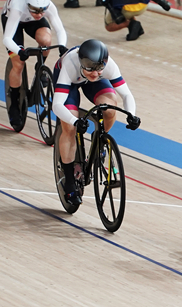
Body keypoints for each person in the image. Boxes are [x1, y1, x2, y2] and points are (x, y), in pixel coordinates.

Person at [52, 39, 141, 205]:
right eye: (90, 68)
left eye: (99, 68)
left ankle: (98, 139)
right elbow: (56, 105)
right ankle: (70, 180)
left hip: (87, 81)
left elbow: (126, 95)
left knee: (110, 108)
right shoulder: (70, 64)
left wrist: (132, 114)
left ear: (104, 63)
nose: (94, 73)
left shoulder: (107, 66)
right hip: (70, 82)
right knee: (69, 127)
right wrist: (74, 120)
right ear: (81, 62)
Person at [1, 0, 68, 129]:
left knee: (46, 40)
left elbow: (60, 29)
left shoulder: (47, 7)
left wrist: (62, 46)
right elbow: (7, 38)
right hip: (14, 22)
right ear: (28, 4)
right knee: (18, 63)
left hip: (31, 22)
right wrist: (19, 51)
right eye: (35, 10)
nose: (39, 14)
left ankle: (40, 66)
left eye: (42, 10)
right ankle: (14, 102)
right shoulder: (18, 5)